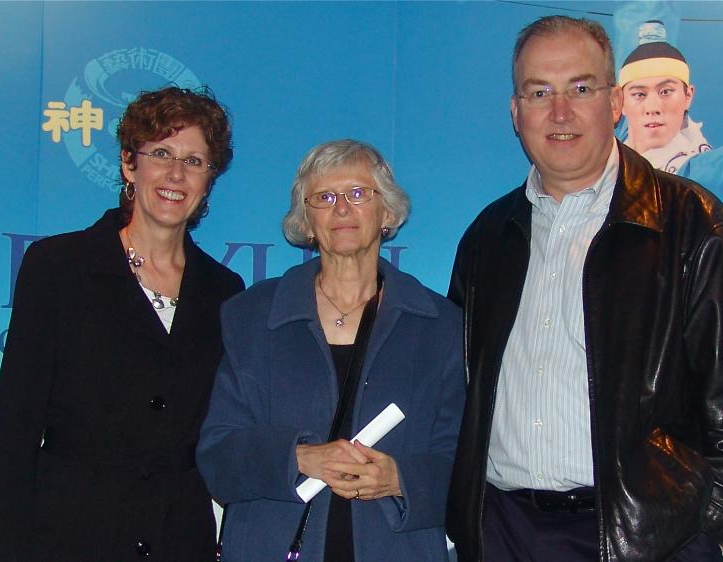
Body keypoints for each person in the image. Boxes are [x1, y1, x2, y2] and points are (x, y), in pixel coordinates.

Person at [446, 15, 723, 562]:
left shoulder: (695, 225)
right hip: (503, 532)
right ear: (515, 112)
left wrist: (699, 531)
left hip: (648, 540)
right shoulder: (487, 237)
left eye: (580, 87)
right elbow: (458, 394)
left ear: (615, 103)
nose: (560, 112)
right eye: (539, 91)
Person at [0, 86, 245, 561]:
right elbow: (14, 430)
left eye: (195, 161)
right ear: (128, 164)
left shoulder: (225, 292)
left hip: (179, 537)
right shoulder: (59, 266)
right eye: (161, 153)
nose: (176, 174)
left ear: (209, 181)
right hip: (69, 534)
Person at [197, 139, 465, 561]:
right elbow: (217, 457)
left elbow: (467, 469)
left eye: (359, 194)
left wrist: (400, 478)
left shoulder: (440, 327)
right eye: (324, 197)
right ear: (305, 222)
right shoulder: (251, 318)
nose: (342, 208)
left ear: (388, 213)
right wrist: (298, 458)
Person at [618, 19, 723, 195]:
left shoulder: (705, 172)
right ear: (619, 102)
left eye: (665, 92)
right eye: (640, 95)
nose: (653, 108)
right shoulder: (605, 159)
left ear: (688, 96)